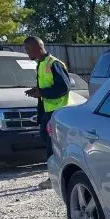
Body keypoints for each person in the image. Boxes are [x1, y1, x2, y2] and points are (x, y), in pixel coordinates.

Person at [23, 36, 71, 189]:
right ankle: (54, 176)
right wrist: (37, 91)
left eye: (28, 49)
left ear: (37, 48)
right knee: (48, 141)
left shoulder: (53, 63)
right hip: (47, 111)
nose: (27, 52)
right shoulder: (41, 64)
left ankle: (55, 178)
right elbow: (48, 87)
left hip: (57, 112)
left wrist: (42, 92)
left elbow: (64, 87)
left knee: (54, 144)